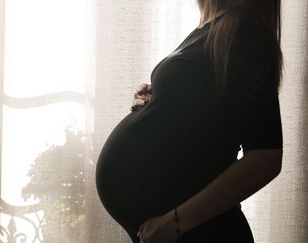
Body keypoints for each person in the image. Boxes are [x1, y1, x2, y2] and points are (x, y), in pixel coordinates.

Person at [96, 0, 283, 242]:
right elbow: (207, 118)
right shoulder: (211, 29)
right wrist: (159, 98)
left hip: (202, 232)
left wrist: (174, 224)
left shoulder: (244, 32)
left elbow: (265, 157)